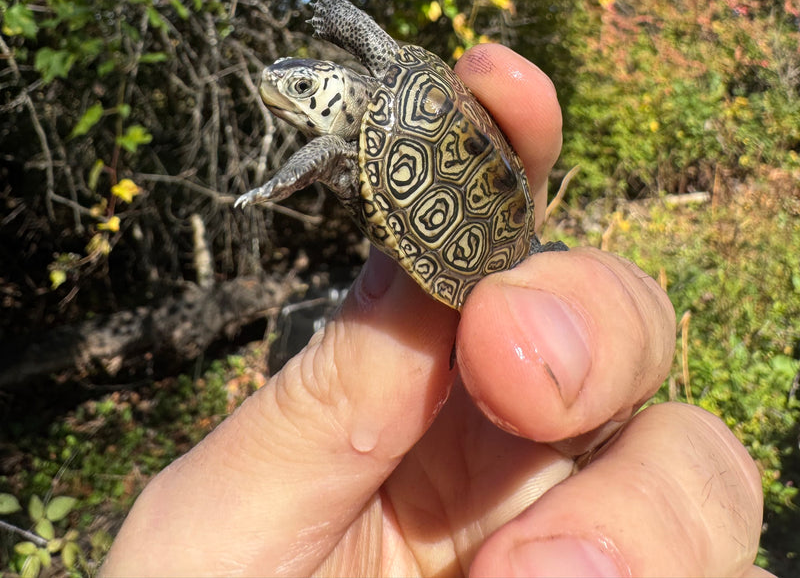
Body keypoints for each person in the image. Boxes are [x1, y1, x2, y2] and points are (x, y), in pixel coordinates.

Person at [102, 45, 768, 577]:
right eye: (298, 94)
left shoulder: (359, 119)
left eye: (307, 91)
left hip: (478, 249)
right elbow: (356, 92)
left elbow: (337, 135)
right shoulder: (387, 84)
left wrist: (274, 181)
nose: (294, 101)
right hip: (480, 226)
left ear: (338, 84)